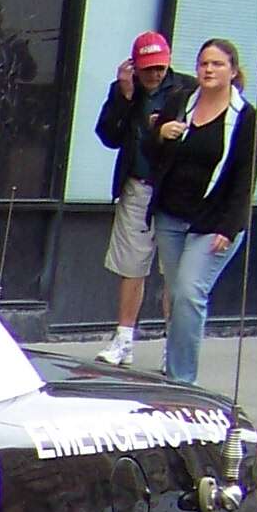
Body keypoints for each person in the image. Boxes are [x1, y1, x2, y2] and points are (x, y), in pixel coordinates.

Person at [143, 37, 257, 388]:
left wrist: (230, 227)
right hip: (171, 215)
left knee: (189, 292)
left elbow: (244, 180)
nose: (208, 70)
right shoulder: (182, 101)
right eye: (203, 64)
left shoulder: (246, 120)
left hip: (212, 223)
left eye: (217, 64)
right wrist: (161, 133)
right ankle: (173, 363)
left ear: (233, 71)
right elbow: (151, 151)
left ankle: (182, 381)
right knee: (175, 292)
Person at [91, 31, 191, 366]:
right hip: (137, 184)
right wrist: (124, 96)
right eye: (148, 69)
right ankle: (124, 339)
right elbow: (108, 136)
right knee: (131, 265)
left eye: (160, 68)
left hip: (172, 189)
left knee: (173, 270)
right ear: (135, 66)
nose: (155, 75)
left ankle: (172, 347)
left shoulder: (186, 90)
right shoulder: (125, 90)